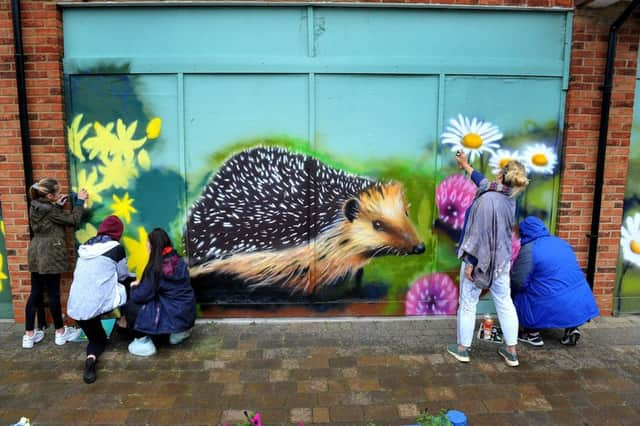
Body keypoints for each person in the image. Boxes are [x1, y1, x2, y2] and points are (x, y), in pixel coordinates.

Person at [446, 151, 529, 367]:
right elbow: (483, 182)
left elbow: (477, 234)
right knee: (504, 302)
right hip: (501, 260)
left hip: (479, 259)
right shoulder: (509, 197)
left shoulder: (486, 200)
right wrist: (465, 165)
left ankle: (463, 349)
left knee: (467, 302)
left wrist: (471, 264)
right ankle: (511, 352)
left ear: (501, 176)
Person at [511, 216, 600, 346]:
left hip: (550, 299)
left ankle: (532, 334)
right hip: (579, 298)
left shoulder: (529, 248)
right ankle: (571, 328)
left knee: (519, 293)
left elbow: (518, 281)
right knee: (562, 288)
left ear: (524, 232)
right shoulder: (561, 242)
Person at [23, 178, 87, 349]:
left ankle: (29, 335)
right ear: (49, 195)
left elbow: (47, 221)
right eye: (57, 193)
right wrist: (80, 201)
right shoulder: (50, 210)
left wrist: (57, 205)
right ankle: (60, 332)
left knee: (35, 292)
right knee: (53, 293)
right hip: (50, 253)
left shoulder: (35, 205)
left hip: (36, 251)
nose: (60, 195)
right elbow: (73, 220)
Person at [67, 215, 129, 383]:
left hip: (77, 305)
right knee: (128, 285)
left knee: (95, 339)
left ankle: (90, 360)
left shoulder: (85, 246)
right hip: (99, 303)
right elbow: (123, 275)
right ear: (118, 232)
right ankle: (124, 321)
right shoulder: (116, 248)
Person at [127, 228, 196, 357]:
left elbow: (140, 296)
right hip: (186, 312)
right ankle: (179, 332)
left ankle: (143, 343)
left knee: (131, 306)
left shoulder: (157, 268)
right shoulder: (178, 259)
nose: (146, 245)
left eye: (148, 243)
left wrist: (134, 286)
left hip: (173, 312)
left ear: (154, 245)